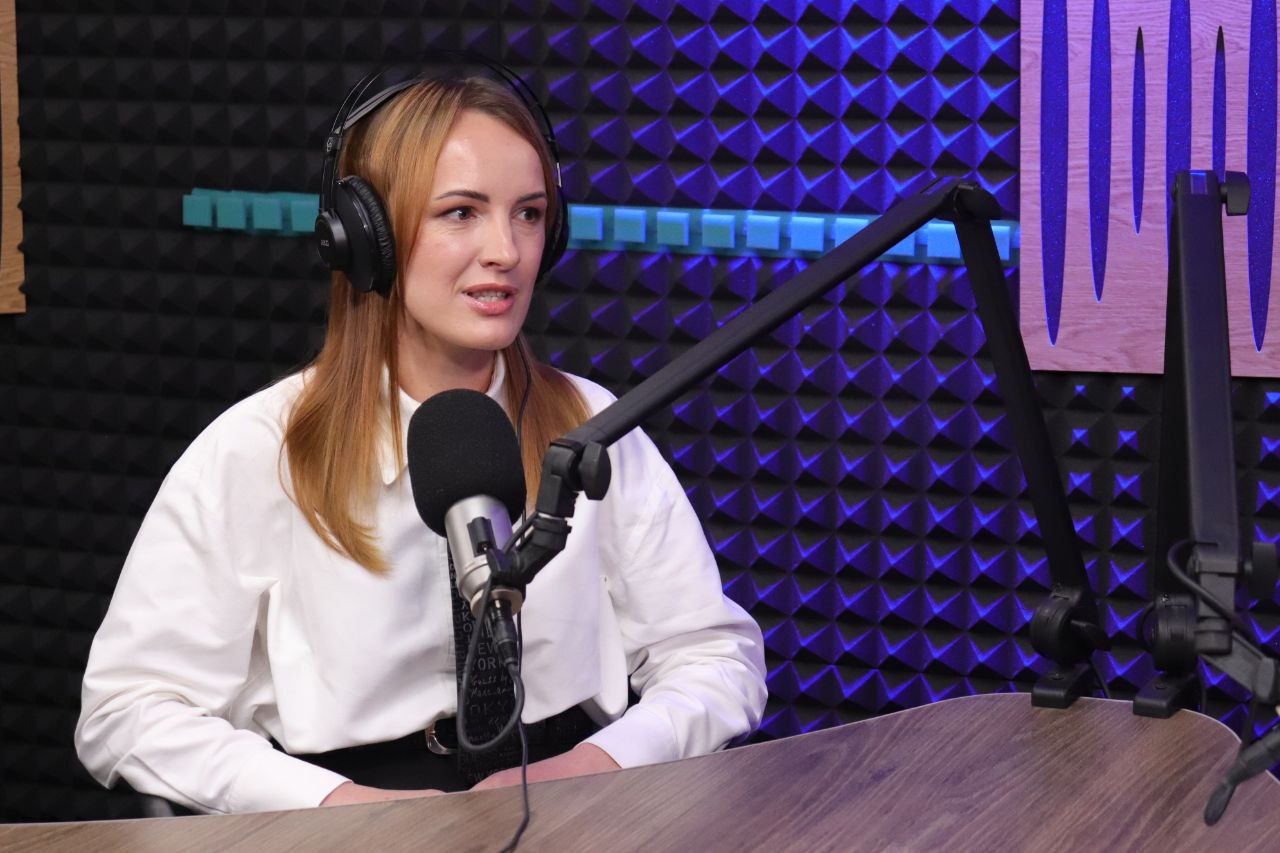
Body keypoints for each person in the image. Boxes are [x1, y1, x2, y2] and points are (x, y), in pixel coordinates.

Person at [74, 73, 767, 815]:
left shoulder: (592, 427)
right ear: (364, 237)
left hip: (573, 802)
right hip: (344, 818)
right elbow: (129, 709)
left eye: (529, 213)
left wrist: (599, 764)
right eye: (460, 212)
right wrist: (334, 807)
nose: (506, 250)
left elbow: (715, 657)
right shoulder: (258, 450)